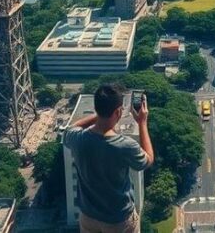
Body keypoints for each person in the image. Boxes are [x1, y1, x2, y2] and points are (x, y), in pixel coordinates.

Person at [64, 84, 155, 233]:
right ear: (118, 112)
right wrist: (142, 122)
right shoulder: (124, 145)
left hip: (88, 217)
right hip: (118, 220)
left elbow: (71, 128)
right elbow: (148, 160)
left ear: (97, 108)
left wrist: (100, 115)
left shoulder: (78, 139)